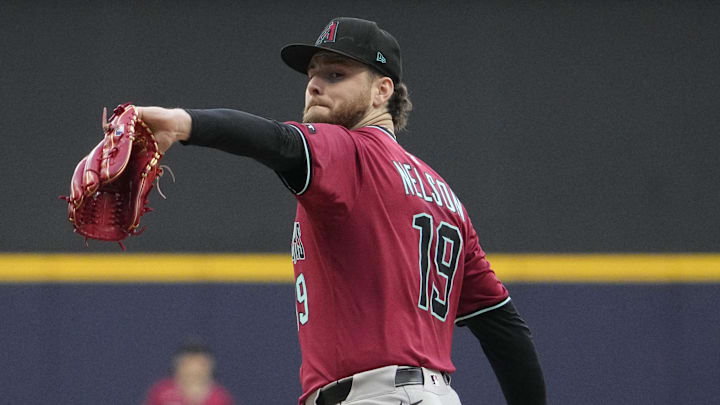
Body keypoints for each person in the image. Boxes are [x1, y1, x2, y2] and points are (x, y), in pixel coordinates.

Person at [134, 17, 546, 405]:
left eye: (336, 74)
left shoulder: (352, 151)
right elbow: (503, 329)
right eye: (312, 74)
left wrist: (183, 123)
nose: (314, 85)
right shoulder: (446, 199)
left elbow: (279, 142)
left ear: (382, 90)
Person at [144, 340, 235, 405]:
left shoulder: (220, 398)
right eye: (189, 364)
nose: (193, 370)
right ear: (179, 366)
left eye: (200, 365)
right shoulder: (162, 393)